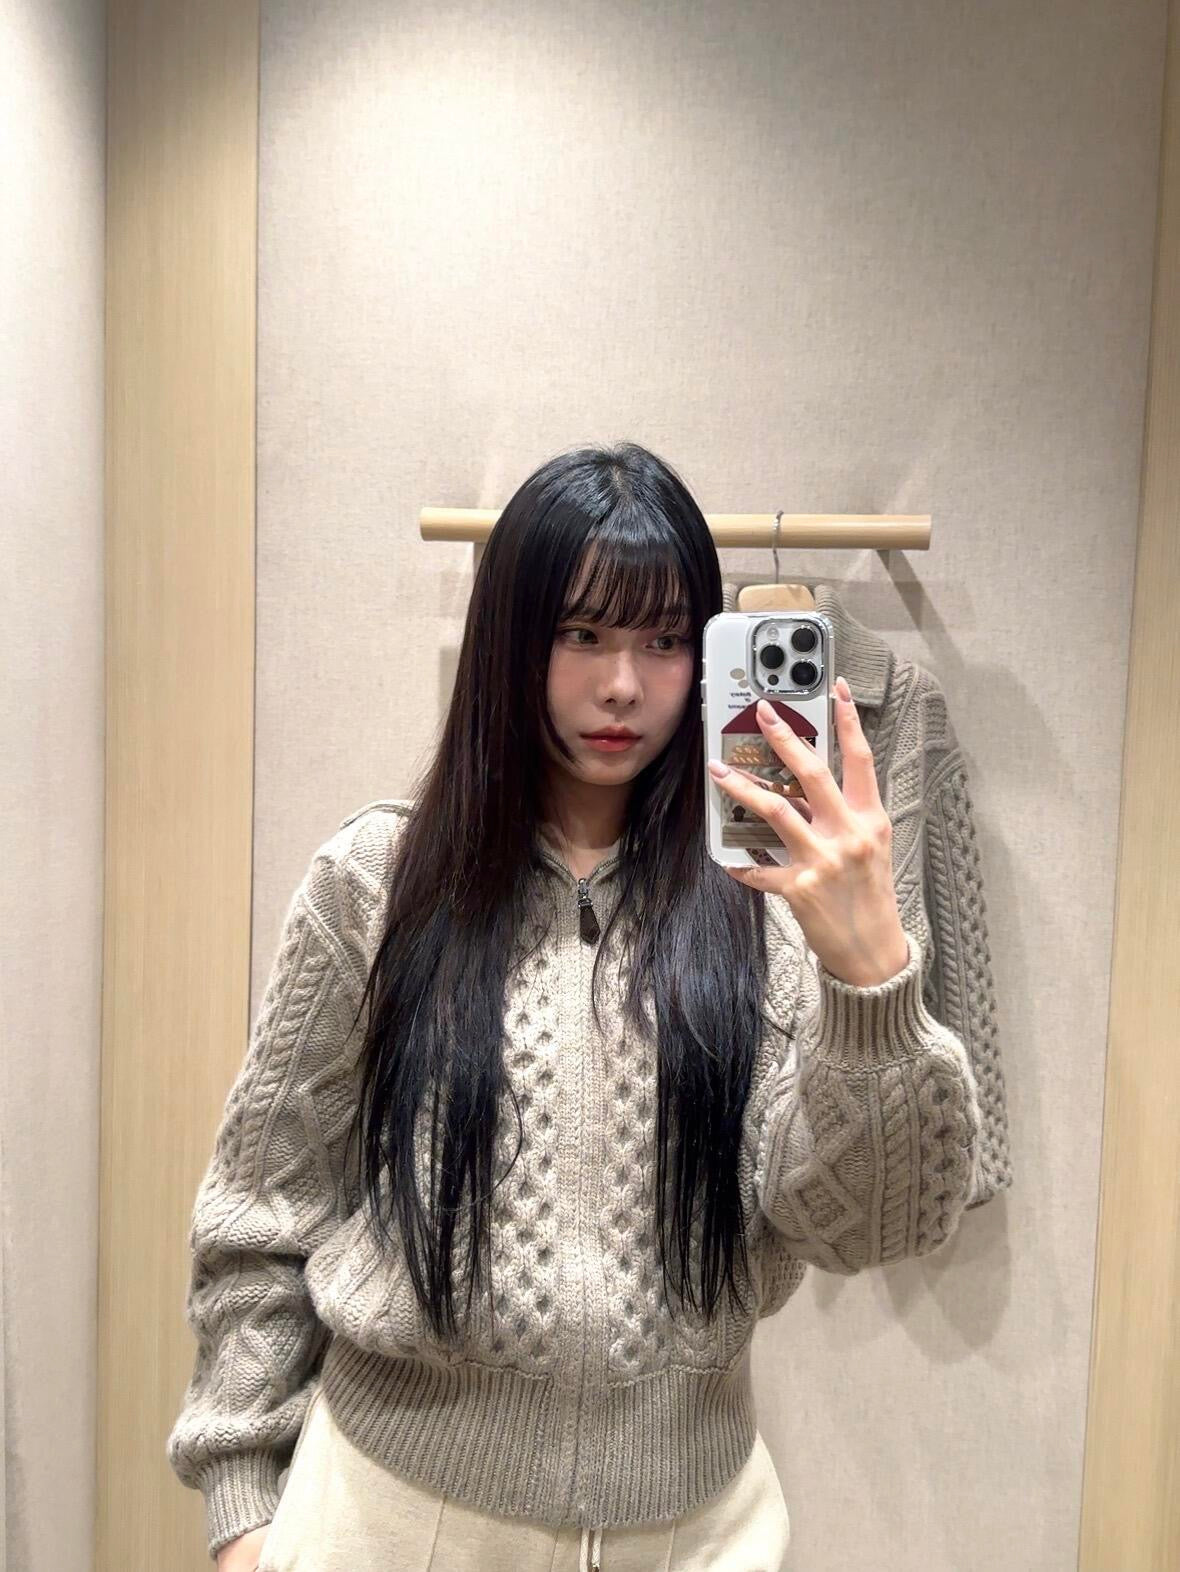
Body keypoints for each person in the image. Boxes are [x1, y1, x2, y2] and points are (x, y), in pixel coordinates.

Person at [166, 441, 982, 1571]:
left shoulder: (772, 907)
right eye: (582, 633)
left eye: (664, 641)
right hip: (394, 1519)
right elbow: (264, 1207)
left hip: (696, 1532)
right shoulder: (375, 885)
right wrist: (244, 1505)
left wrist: (869, 980)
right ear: (509, 640)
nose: (623, 686)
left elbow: (869, 1229)